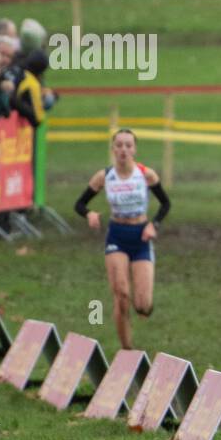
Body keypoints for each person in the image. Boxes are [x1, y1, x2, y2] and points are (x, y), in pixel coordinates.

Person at [74, 129, 170, 350]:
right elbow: (79, 204)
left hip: (141, 237)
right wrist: (89, 214)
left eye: (128, 145)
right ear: (113, 149)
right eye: (119, 145)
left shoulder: (146, 175)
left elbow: (166, 204)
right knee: (121, 294)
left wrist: (153, 225)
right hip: (117, 236)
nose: (123, 150)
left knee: (143, 305)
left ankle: (143, 308)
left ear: (134, 149)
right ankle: (127, 350)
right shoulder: (104, 176)